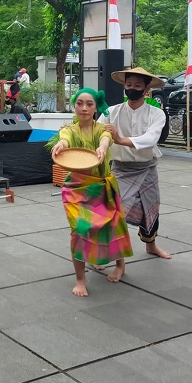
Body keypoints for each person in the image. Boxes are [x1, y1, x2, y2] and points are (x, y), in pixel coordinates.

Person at [51, 88, 133, 297]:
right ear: (74, 105)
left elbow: (106, 139)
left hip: (102, 185)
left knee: (113, 226)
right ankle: (80, 279)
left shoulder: (102, 129)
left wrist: (103, 148)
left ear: (96, 107)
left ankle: (120, 265)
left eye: (89, 104)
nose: (84, 108)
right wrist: (61, 145)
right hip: (76, 188)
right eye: (80, 103)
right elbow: (65, 139)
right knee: (79, 229)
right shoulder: (69, 130)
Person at [100, 67, 171, 260]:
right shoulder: (112, 112)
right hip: (121, 170)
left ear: (146, 89)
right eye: (129, 84)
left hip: (146, 167)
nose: (132, 88)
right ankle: (112, 254)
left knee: (151, 208)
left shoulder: (157, 114)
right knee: (116, 211)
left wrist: (120, 139)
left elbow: (151, 139)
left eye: (138, 85)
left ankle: (151, 246)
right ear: (124, 86)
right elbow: (97, 132)